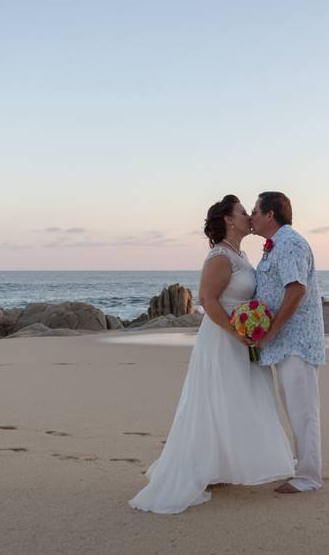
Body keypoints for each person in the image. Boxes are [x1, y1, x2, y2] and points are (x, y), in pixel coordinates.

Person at [128, 195, 295, 514]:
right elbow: (208, 300)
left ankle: (223, 467)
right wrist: (236, 331)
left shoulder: (241, 254)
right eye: (243, 212)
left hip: (242, 338)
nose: (249, 216)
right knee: (216, 399)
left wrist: (254, 324)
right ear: (229, 220)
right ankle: (202, 469)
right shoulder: (220, 256)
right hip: (223, 338)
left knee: (237, 400)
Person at [250, 191, 325, 493]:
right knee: (293, 407)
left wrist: (270, 332)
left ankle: (309, 476)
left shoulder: (291, 243)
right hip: (283, 343)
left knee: (303, 409)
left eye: (255, 210)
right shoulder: (274, 246)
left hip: (296, 341)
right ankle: (303, 464)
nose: (251, 216)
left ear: (270, 214)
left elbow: (296, 291)